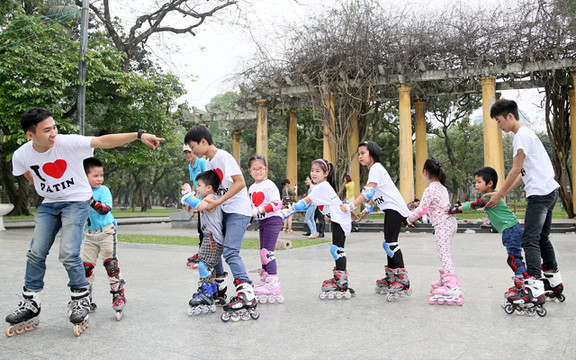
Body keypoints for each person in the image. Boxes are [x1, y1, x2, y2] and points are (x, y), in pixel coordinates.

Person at [5, 107, 163, 337]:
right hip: (49, 204)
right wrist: (43, 187)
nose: (53, 133)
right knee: (35, 252)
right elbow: (28, 173)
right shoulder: (22, 155)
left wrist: (138, 135)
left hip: (76, 201)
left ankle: (81, 299)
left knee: (68, 253)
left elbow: (102, 140)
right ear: (30, 135)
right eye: (47, 130)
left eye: (54, 127)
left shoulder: (67, 143)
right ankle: (31, 302)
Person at [486, 99, 563, 312]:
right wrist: (503, 193)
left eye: (499, 121)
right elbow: (523, 173)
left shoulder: (520, 136)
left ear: (510, 116)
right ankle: (553, 281)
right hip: (550, 191)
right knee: (541, 238)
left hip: (539, 195)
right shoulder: (528, 134)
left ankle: (534, 287)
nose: (499, 126)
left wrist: (499, 193)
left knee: (529, 240)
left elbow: (515, 169)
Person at [184, 125, 259, 322]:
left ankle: (247, 293)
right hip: (223, 211)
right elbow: (210, 190)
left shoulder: (223, 157)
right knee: (215, 247)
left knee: (230, 251)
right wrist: (200, 202)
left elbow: (240, 182)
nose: (192, 152)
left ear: (203, 142)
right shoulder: (208, 164)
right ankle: (217, 288)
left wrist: (218, 201)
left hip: (238, 210)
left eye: (193, 147)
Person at [449, 166, 528, 302]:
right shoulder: (492, 196)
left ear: (489, 183)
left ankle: (522, 283)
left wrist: (454, 209)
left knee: (514, 259)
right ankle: (523, 279)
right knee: (515, 258)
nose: (476, 185)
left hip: (510, 231)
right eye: (475, 182)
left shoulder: (489, 197)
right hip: (512, 230)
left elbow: (474, 205)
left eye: (479, 182)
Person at [345, 141, 411, 300]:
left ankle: (402, 279)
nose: (360, 156)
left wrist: (351, 206)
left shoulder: (376, 168)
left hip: (395, 209)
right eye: (359, 154)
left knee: (391, 244)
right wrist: (367, 208)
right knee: (388, 244)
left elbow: (368, 192)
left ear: (372, 154)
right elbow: (375, 193)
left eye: (363, 153)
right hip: (390, 209)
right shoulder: (374, 170)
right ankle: (392, 276)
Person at [284, 159, 354, 299]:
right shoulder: (318, 187)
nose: (314, 174)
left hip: (340, 220)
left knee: (337, 249)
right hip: (337, 219)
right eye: (312, 171)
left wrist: (286, 211)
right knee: (336, 249)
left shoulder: (323, 186)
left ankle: (341, 281)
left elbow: (303, 203)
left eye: (317, 171)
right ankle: (340, 278)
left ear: (325, 173)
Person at [406, 158, 463, 305]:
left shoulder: (430, 189)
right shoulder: (442, 188)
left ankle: (452, 286)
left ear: (425, 172)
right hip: (450, 223)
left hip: (443, 225)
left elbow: (422, 209)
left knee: (444, 254)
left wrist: (408, 219)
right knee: (444, 253)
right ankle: (446, 280)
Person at [81, 157, 126, 321]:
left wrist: (90, 200)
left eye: (101, 175)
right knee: (85, 268)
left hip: (107, 232)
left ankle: (118, 295)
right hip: (89, 235)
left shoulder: (103, 190)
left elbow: (105, 209)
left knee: (111, 265)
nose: (100, 178)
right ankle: (85, 298)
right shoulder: (79, 191)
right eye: (95, 175)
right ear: (84, 175)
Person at [181, 170, 227, 316]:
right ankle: (211, 290)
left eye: (199, 185)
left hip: (213, 238)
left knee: (203, 265)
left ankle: (205, 293)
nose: (197, 188)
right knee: (209, 267)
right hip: (209, 237)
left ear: (208, 187)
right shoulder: (208, 197)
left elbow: (199, 206)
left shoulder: (211, 197)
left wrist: (188, 194)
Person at [248, 155, 284, 303]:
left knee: (267, 252)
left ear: (265, 169)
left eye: (260, 168)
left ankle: (273, 283)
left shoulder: (269, 185)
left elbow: (277, 204)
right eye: (254, 169)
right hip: (262, 222)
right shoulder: (251, 188)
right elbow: (251, 207)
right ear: (250, 171)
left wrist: (260, 210)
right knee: (262, 252)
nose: (258, 171)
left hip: (273, 220)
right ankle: (265, 279)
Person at [182, 143, 207, 269]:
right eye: (185, 152)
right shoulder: (190, 166)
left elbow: (209, 181)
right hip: (199, 201)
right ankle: (201, 253)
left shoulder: (202, 162)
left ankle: (205, 256)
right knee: (200, 228)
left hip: (207, 201)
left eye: (189, 151)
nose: (187, 154)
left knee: (206, 229)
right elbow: (194, 184)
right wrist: (190, 201)